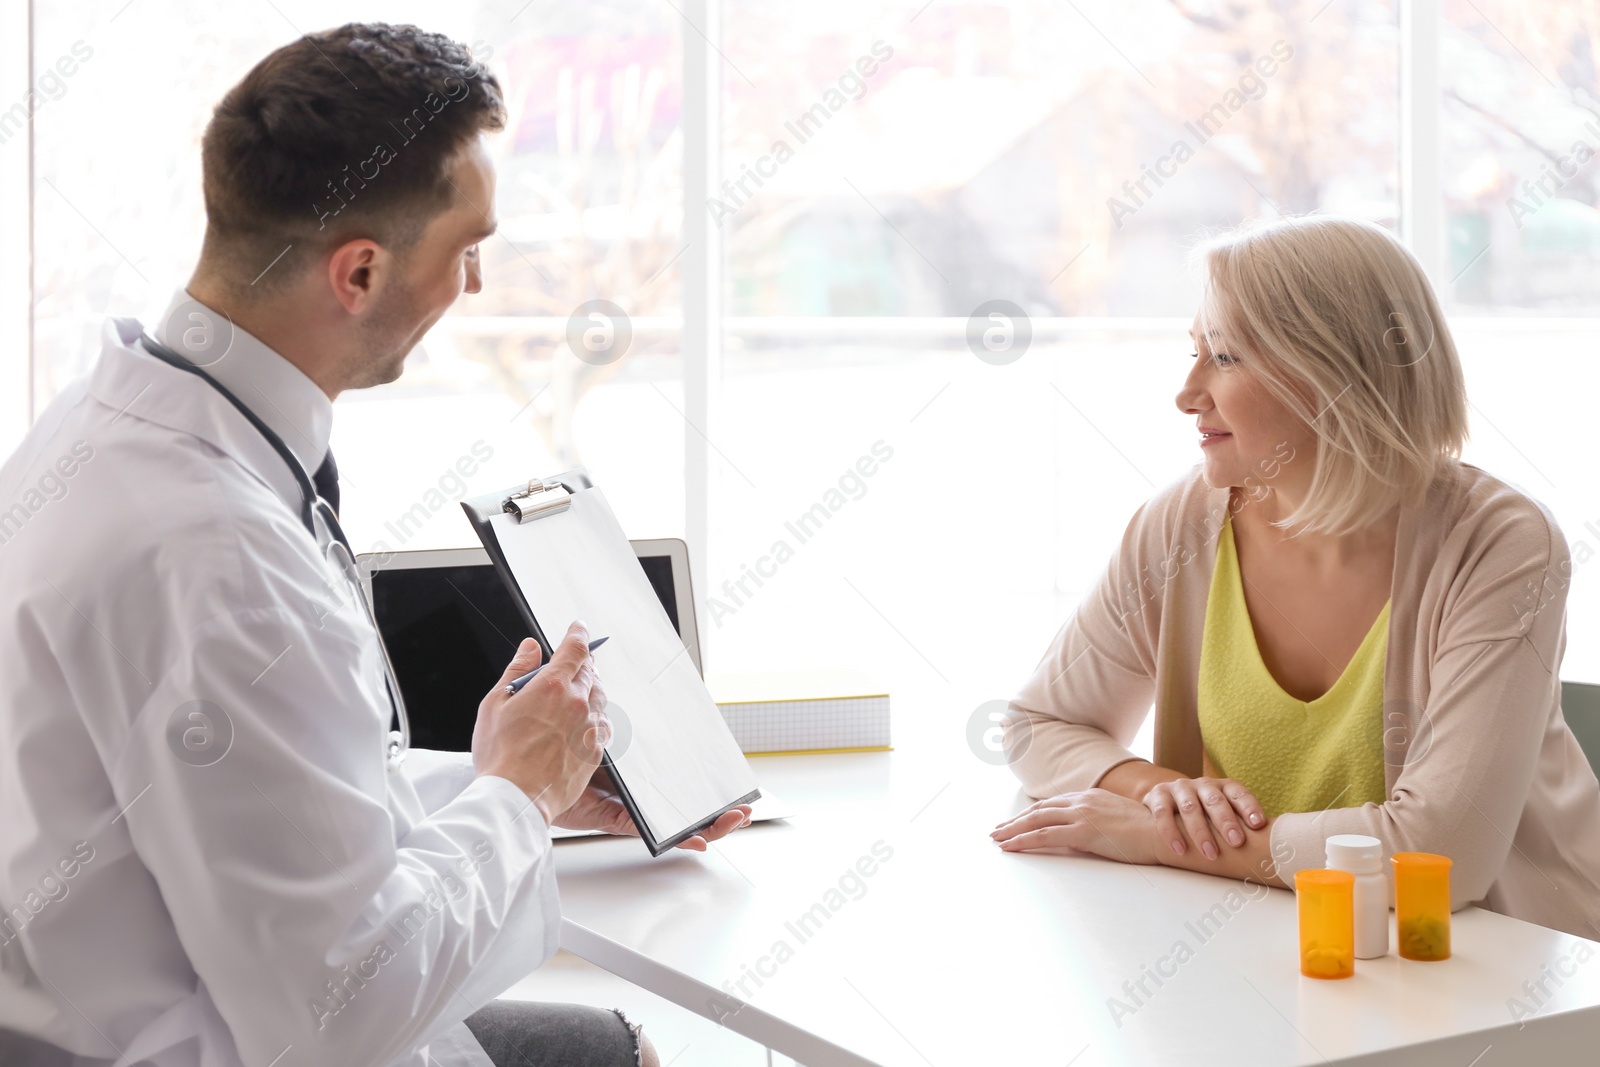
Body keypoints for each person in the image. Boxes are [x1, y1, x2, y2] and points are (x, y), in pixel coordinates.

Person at [0, 23, 747, 1067]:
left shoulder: (93, 432)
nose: (476, 287)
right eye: (468, 249)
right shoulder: (222, 559)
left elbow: (268, 805)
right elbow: (341, 1016)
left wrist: (515, 777)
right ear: (358, 273)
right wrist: (516, 798)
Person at [990, 214, 1600, 940]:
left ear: (1336, 374)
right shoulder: (1183, 523)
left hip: (1497, 972)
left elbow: (1440, 853)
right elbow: (1038, 725)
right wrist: (1164, 796)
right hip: (1269, 946)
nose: (1187, 393)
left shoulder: (1500, 543)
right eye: (1194, 353)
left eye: (1223, 356)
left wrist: (1157, 838)